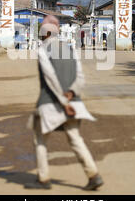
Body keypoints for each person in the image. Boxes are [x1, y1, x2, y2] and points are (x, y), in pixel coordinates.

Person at [25, 15, 103, 191]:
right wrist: (71, 94)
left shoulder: (43, 50)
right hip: (73, 103)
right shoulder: (70, 49)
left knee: (40, 141)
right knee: (76, 139)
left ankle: (43, 179)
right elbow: (81, 77)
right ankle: (93, 175)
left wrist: (62, 100)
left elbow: (50, 77)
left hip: (50, 104)